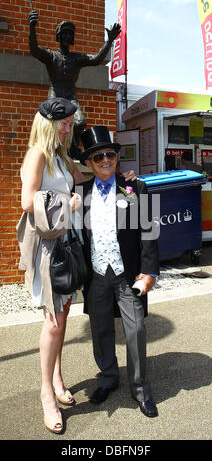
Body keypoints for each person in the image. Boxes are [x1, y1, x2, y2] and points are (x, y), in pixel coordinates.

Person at [17, 98, 137, 434]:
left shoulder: (61, 156)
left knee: (64, 315)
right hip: (48, 247)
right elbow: (27, 200)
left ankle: (56, 378)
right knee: (53, 323)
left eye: (71, 123)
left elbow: (91, 175)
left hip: (67, 246)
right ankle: (46, 395)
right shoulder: (37, 153)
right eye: (66, 123)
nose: (70, 128)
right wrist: (65, 204)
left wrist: (119, 176)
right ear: (49, 123)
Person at [78, 125, 160, 418]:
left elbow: (149, 232)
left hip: (128, 274)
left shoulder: (134, 188)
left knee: (136, 329)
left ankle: (140, 389)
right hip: (96, 274)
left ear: (116, 157)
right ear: (88, 163)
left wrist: (149, 271)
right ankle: (108, 378)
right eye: (97, 156)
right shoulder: (81, 193)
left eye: (109, 154)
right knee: (100, 330)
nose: (104, 160)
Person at [28, 9, 121, 157]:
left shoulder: (77, 58)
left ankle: (71, 149)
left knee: (79, 122)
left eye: (69, 34)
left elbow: (96, 59)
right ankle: (52, 149)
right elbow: (35, 50)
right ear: (58, 36)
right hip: (56, 92)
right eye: (64, 33)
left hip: (70, 93)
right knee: (52, 123)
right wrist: (32, 28)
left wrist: (109, 41)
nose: (67, 36)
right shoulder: (51, 56)